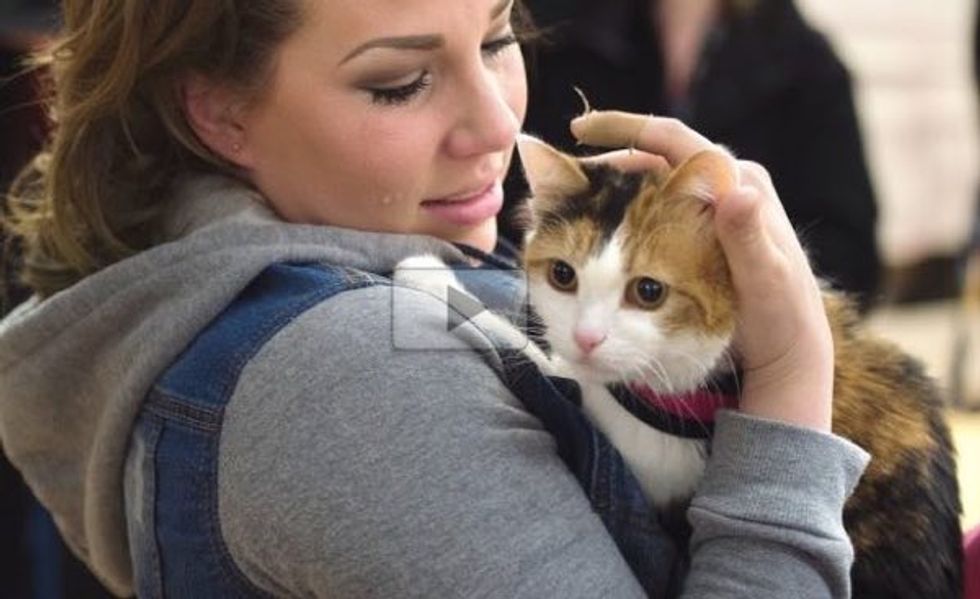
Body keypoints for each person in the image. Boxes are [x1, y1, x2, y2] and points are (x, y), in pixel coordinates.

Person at [0, 1, 869, 597]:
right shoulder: (354, 376)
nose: (498, 125)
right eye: (398, 83)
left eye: (497, 37)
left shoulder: (290, 288)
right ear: (220, 112)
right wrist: (794, 378)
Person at [508, 0, 881, 312]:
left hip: (729, 350)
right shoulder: (549, 31)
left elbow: (851, 259)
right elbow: (510, 207)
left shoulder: (806, 63)